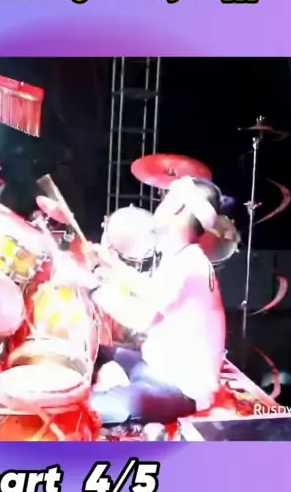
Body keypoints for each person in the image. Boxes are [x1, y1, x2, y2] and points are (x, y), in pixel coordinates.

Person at [91, 177, 226, 427]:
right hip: (153, 367)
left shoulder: (189, 264)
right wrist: (112, 264)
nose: (159, 203)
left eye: (166, 198)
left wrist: (92, 287)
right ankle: (114, 381)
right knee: (92, 353)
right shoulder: (185, 257)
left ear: (179, 208)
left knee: (85, 408)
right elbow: (151, 289)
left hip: (178, 389)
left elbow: (141, 318)